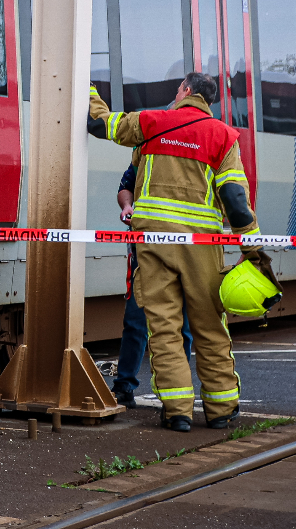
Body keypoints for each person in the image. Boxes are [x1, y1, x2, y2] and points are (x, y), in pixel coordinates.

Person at [90, 72, 261, 433]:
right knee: (210, 327)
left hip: (153, 244)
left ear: (185, 90)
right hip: (201, 247)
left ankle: (178, 412)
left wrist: (87, 91)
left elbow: (102, 124)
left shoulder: (153, 123)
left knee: (164, 328)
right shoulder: (224, 137)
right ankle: (222, 410)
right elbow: (235, 200)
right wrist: (253, 249)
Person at [111, 162, 193, 409]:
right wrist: (127, 205)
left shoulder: (187, 150)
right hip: (147, 247)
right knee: (136, 320)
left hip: (185, 248)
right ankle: (125, 386)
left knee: (182, 324)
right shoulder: (146, 151)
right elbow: (125, 187)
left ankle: (178, 392)